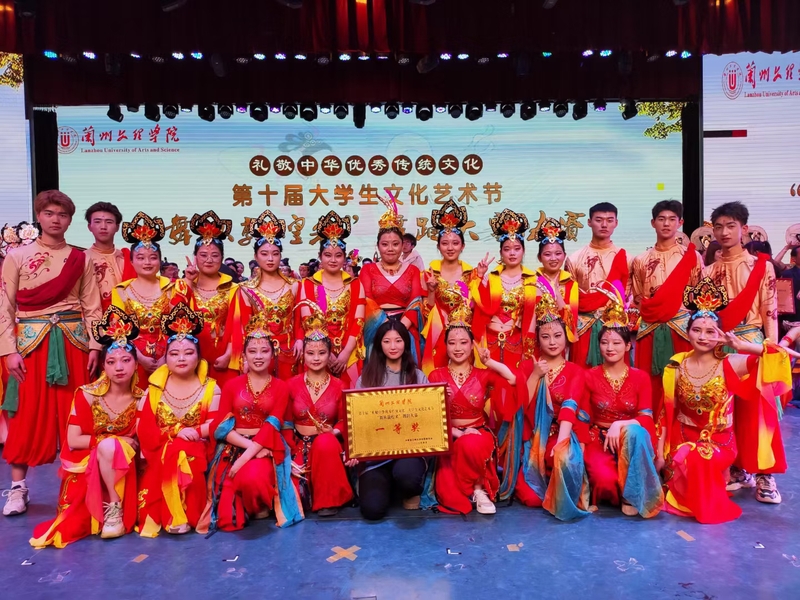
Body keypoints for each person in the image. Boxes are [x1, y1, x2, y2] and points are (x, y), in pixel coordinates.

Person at [658, 278, 795, 524]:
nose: (703, 336)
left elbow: (775, 356)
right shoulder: (676, 366)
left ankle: (707, 498)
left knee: (698, 458)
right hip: (683, 438)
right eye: (696, 330)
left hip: (720, 442)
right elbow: (665, 415)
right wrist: (660, 453)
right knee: (680, 462)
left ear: (720, 335)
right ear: (687, 332)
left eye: (711, 331)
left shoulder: (731, 363)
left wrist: (741, 345)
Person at [0, 191, 103, 517]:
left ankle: (80, 489)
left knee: (77, 415)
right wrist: (8, 351)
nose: (55, 219)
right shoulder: (17, 256)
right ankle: (18, 488)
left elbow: (92, 306)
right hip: (31, 346)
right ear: (39, 217)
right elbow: (5, 306)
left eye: (62, 214)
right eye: (49, 213)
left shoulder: (81, 258)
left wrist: (96, 345)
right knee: (25, 414)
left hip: (74, 343)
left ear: (70, 220)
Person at [30, 307, 144, 547]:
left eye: (126, 360)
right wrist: (114, 441)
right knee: (110, 446)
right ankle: (114, 508)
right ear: (103, 366)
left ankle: (117, 510)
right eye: (111, 362)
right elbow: (73, 440)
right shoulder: (87, 394)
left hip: (125, 463)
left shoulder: (142, 398)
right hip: (88, 459)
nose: (119, 367)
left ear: (136, 364)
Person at [702, 201, 782, 502]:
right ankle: (736, 468)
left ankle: (765, 475)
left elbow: (770, 311)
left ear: (744, 229)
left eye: (731, 226)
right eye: (718, 227)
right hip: (718, 348)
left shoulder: (761, 267)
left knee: (757, 414)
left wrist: (770, 351)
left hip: (750, 344)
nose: (724, 232)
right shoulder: (708, 271)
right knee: (723, 414)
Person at [200, 322, 302, 533]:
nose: (258, 356)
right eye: (252, 351)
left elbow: (272, 425)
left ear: (272, 354)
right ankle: (247, 505)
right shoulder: (231, 385)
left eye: (264, 351)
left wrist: (246, 458)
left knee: (252, 478)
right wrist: (250, 449)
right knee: (227, 519)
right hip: (236, 446)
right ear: (244, 355)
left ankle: (258, 503)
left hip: (267, 446)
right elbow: (221, 427)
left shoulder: (281, 387)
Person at [136, 302, 220, 536]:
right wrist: (175, 433)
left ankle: (182, 514)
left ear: (199, 357)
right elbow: (144, 428)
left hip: (198, 449)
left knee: (184, 450)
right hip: (160, 450)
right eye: (174, 353)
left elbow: (215, 425)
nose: (181, 358)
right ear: (165, 358)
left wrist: (192, 434)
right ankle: (176, 513)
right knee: (176, 449)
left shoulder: (211, 388)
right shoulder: (153, 389)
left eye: (188, 353)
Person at [422, 308, 516, 515]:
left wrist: (489, 362)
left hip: (478, 433)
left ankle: (479, 490)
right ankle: (471, 489)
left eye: (463, 342)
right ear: (445, 346)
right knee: (451, 497)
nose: (457, 348)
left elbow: (512, 379)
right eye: (452, 343)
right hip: (449, 437)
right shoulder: (436, 376)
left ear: (472, 345)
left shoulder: (483, 374)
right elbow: (430, 417)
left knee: (471, 443)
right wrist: (456, 430)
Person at [582, 281, 663, 518]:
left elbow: (646, 419)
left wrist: (620, 424)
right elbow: (583, 418)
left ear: (628, 346)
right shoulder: (589, 376)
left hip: (631, 440)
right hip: (599, 439)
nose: (610, 348)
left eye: (617, 343)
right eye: (605, 342)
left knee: (635, 431)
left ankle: (632, 494)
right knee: (606, 482)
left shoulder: (640, 377)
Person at [514, 293, 592, 520]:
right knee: (531, 499)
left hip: (563, 434)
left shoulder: (576, 371)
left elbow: (570, 408)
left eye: (557, 336)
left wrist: (562, 445)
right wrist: (535, 375)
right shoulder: (528, 366)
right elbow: (522, 406)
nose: (552, 342)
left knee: (562, 461)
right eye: (546, 337)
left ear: (566, 337)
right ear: (538, 339)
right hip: (534, 438)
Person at [631, 200, 703, 436]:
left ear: (680, 223)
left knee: (682, 385)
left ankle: (680, 438)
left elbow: (697, 295)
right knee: (649, 385)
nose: (666, 224)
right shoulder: (641, 260)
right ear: (653, 223)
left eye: (672, 219)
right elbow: (638, 297)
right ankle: (649, 437)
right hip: (650, 330)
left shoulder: (691, 257)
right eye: (661, 219)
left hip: (681, 330)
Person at [353, 321, 429, 520]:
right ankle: (384, 486)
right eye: (387, 341)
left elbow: (428, 419)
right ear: (379, 344)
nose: (393, 346)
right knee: (372, 510)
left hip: (409, 452)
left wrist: (439, 400)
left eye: (398, 341)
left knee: (408, 477)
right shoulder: (366, 379)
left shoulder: (418, 377)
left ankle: (407, 489)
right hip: (376, 458)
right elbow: (359, 422)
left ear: (406, 344)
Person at [286, 305, 354, 516]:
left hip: (327, 447)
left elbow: (345, 421)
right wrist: (287, 450)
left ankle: (328, 502)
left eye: (322, 353)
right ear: (303, 355)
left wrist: (333, 432)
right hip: (298, 446)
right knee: (296, 497)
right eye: (310, 353)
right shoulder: (291, 384)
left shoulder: (340, 385)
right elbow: (285, 422)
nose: (316, 358)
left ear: (329, 354)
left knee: (325, 442)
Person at [112, 212, 192, 383]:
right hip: (132, 356)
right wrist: (140, 357)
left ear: (160, 262)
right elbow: (118, 331)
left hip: (170, 355)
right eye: (140, 258)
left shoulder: (173, 287)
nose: (147, 262)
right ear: (132, 262)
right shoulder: (120, 291)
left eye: (153, 258)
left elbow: (180, 326)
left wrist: (168, 355)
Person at [225, 211, 301, 380]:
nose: (270, 259)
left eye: (275, 253)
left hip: (290, 351)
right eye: (264, 254)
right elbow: (244, 328)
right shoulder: (246, 289)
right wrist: (245, 358)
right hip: (258, 355)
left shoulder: (294, 285)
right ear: (256, 256)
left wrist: (300, 340)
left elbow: (299, 319)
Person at [295, 211, 366, 387]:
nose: (333, 260)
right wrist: (326, 352)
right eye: (328, 255)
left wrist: (345, 353)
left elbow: (358, 321)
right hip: (317, 352)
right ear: (320, 256)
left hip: (349, 352)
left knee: (349, 396)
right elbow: (309, 321)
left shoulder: (355, 284)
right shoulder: (309, 284)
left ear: (344, 257)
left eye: (338, 255)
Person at [565, 202, 631, 368]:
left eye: (609, 220)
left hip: (614, 329)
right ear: (589, 222)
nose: (604, 225)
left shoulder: (626, 259)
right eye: (599, 220)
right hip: (583, 328)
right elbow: (571, 300)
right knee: (581, 374)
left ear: (616, 223)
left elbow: (628, 296)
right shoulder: (574, 259)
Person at [359, 197, 425, 362]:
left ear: (402, 246)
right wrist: (386, 330)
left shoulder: (413, 270)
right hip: (376, 329)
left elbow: (416, 303)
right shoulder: (368, 270)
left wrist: (399, 330)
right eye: (385, 244)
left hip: (405, 329)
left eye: (395, 244)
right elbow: (367, 301)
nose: (390, 249)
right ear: (378, 246)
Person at [471, 208, 538, 370]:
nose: (512, 253)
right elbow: (474, 306)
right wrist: (478, 277)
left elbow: (532, 317)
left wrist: (528, 350)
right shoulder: (490, 277)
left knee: (513, 381)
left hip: (516, 342)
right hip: (489, 342)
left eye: (517, 249)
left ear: (523, 251)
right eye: (507, 249)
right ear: (501, 252)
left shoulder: (532, 280)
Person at [421, 200, 477, 375]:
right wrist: (431, 291)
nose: (450, 248)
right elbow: (425, 312)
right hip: (438, 336)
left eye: (455, 243)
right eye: (445, 243)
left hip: (464, 338)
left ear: (463, 246)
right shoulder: (429, 274)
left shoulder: (472, 274)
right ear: (438, 246)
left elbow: (476, 310)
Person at [183, 211, 237, 386]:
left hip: (223, 356)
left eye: (214, 255)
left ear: (222, 258)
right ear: (195, 257)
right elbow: (176, 314)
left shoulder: (233, 288)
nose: (209, 260)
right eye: (203, 255)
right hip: (190, 356)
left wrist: (229, 355)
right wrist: (188, 281)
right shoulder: (183, 285)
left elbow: (238, 326)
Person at [533, 218, 579, 347]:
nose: (553, 258)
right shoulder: (531, 282)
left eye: (558, 253)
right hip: (537, 341)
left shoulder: (571, 284)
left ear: (564, 255)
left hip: (561, 342)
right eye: (547, 254)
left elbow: (572, 321)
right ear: (539, 257)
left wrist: (558, 294)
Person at [83, 202, 135, 310]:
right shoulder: (82, 259)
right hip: (95, 316)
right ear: (89, 227)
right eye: (97, 222)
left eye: (109, 222)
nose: (103, 227)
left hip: (130, 316)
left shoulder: (128, 258)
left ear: (117, 227)